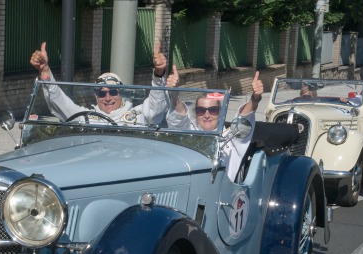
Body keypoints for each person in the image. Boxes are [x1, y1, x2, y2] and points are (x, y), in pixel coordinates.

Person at [29, 41, 169, 126]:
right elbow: (58, 103)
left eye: (113, 91)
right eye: (102, 93)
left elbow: (156, 109)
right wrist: (45, 72)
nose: (108, 98)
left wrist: (158, 74)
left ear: (120, 93)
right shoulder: (86, 117)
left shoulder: (138, 114)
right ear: (96, 96)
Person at [165, 67, 263, 181]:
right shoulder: (189, 132)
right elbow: (179, 118)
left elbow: (244, 119)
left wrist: (255, 98)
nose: (207, 115)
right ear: (196, 113)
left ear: (220, 113)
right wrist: (173, 93)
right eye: (201, 110)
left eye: (213, 110)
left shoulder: (231, 138)